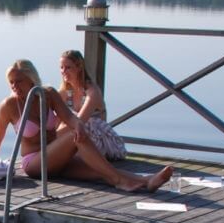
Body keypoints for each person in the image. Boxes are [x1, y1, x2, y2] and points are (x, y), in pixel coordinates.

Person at [39, 50, 173, 192]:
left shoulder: (92, 91)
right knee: (94, 171)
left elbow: (80, 121)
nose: (63, 71)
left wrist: (52, 143)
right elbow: (57, 125)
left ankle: (142, 180)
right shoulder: (63, 93)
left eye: (68, 67)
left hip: (96, 138)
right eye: (61, 67)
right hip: (75, 139)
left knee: (79, 127)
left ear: (79, 67)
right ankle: (147, 180)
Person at [0, 59, 65, 175]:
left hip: (55, 156)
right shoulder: (8, 105)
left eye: (19, 81)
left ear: (31, 80)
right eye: (11, 82)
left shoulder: (48, 95)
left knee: (92, 172)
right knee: (74, 135)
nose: (14, 86)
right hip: (33, 162)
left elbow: (69, 118)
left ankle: (103, 173)